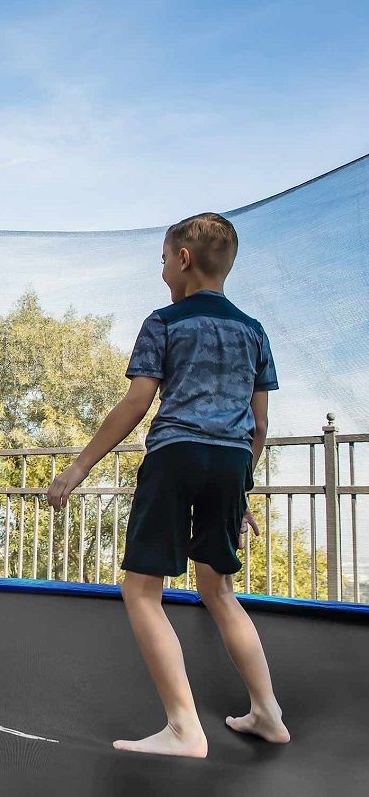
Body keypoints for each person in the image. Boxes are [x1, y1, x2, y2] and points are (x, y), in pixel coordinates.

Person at [47, 212, 290, 758]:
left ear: (181, 259)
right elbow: (260, 423)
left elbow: (138, 400)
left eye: (161, 260)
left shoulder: (165, 321)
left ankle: (184, 728)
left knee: (141, 590)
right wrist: (241, 490)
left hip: (177, 455)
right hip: (231, 462)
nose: (161, 272)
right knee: (219, 589)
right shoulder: (254, 331)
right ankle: (268, 713)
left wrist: (80, 466)